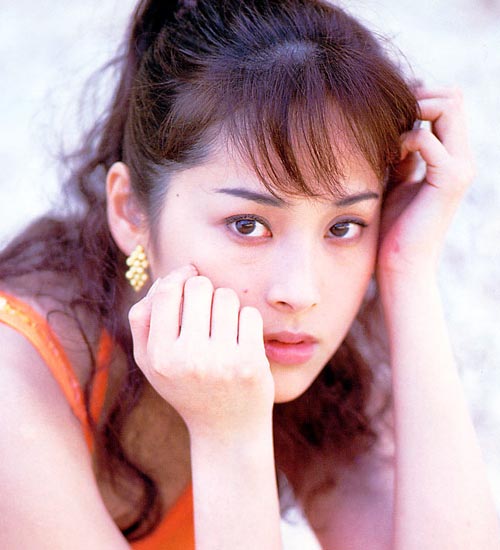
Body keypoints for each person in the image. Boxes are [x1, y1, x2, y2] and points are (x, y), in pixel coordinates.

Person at [0, 0, 498, 548]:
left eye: (343, 227)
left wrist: (406, 268)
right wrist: (229, 436)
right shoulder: (13, 388)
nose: (300, 292)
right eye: (248, 225)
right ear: (132, 212)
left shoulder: (295, 354)